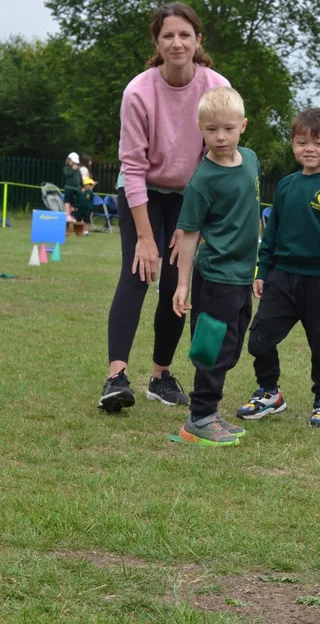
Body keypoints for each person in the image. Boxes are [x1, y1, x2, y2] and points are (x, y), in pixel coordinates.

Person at [98, 2, 230, 413]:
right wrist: (144, 237)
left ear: (197, 41)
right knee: (138, 273)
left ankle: (160, 375)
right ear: (157, 42)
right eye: (168, 35)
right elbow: (133, 167)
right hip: (143, 191)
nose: (177, 42)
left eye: (184, 35)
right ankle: (115, 377)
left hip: (190, 194)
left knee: (175, 282)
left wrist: (194, 221)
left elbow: (219, 158)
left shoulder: (215, 87)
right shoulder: (138, 92)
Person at [237, 107, 320, 430]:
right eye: (301, 142)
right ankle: (270, 392)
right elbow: (272, 233)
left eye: (318, 143)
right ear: (293, 145)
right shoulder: (285, 186)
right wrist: (262, 271)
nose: (309, 149)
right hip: (281, 278)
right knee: (259, 339)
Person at [172, 87, 260, 446]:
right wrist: (182, 285)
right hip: (215, 277)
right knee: (213, 348)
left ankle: (211, 411)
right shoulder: (202, 181)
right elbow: (188, 234)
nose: (219, 137)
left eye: (227, 128)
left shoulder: (251, 160)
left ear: (243, 126)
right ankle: (199, 418)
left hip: (242, 275)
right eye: (211, 130)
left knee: (233, 346)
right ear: (200, 128)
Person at [64, 152, 82, 222]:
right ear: (69, 161)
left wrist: (82, 185)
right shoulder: (67, 168)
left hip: (76, 189)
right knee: (67, 200)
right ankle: (67, 215)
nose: (75, 164)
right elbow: (67, 175)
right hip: (69, 187)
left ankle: (72, 213)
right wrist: (73, 170)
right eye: (73, 162)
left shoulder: (77, 170)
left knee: (77, 201)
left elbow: (79, 177)